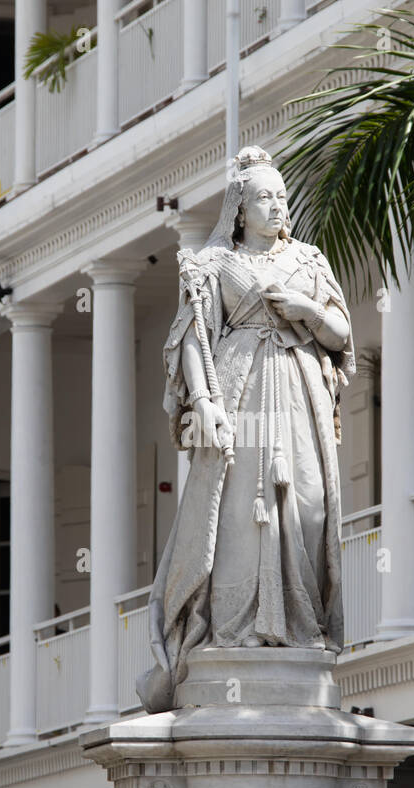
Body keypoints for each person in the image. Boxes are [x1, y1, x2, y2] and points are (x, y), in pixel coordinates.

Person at [137, 145, 355, 713]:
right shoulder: (210, 265)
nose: (278, 206)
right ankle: (232, 633)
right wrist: (205, 400)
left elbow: (339, 335)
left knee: (305, 505)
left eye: (282, 197)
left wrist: (305, 313)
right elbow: (193, 339)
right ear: (240, 208)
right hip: (238, 392)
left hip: (299, 394)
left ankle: (301, 626)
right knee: (237, 513)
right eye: (265, 197)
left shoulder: (310, 262)